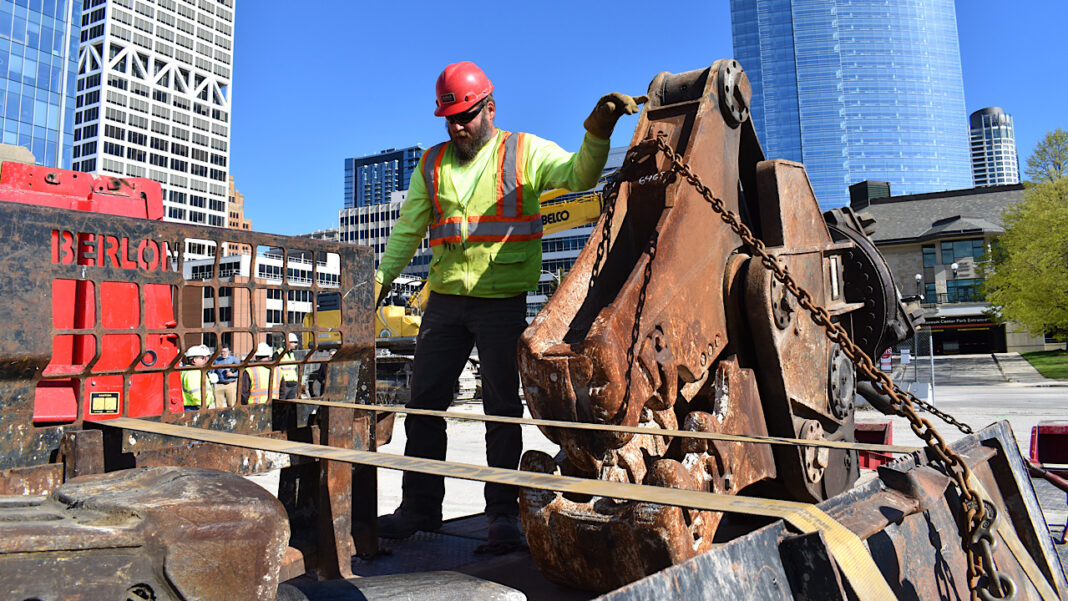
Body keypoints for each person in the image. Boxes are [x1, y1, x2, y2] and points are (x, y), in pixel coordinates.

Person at [373, 60, 643, 548]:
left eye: (466, 116)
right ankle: (418, 507)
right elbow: (408, 232)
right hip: (445, 301)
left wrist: (598, 130)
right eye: (449, 119)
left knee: (501, 408)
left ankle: (503, 515)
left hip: (500, 303)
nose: (457, 127)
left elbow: (579, 174)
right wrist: (378, 281)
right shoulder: (431, 164)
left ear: (490, 108)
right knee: (423, 406)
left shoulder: (524, 151)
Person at [181, 344, 216, 411]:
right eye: (203, 358)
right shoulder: (194, 373)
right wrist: (204, 406)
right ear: (194, 360)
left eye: (207, 357)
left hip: (190, 407)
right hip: (195, 408)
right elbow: (197, 395)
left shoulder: (187, 371)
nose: (206, 360)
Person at [276, 333, 301, 400]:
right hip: (284, 384)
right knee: (282, 403)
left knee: (291, 405)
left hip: (293, 383)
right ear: (288, 342)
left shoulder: (291, 353)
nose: (296, 344)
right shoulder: (278, 353)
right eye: (294, 342)